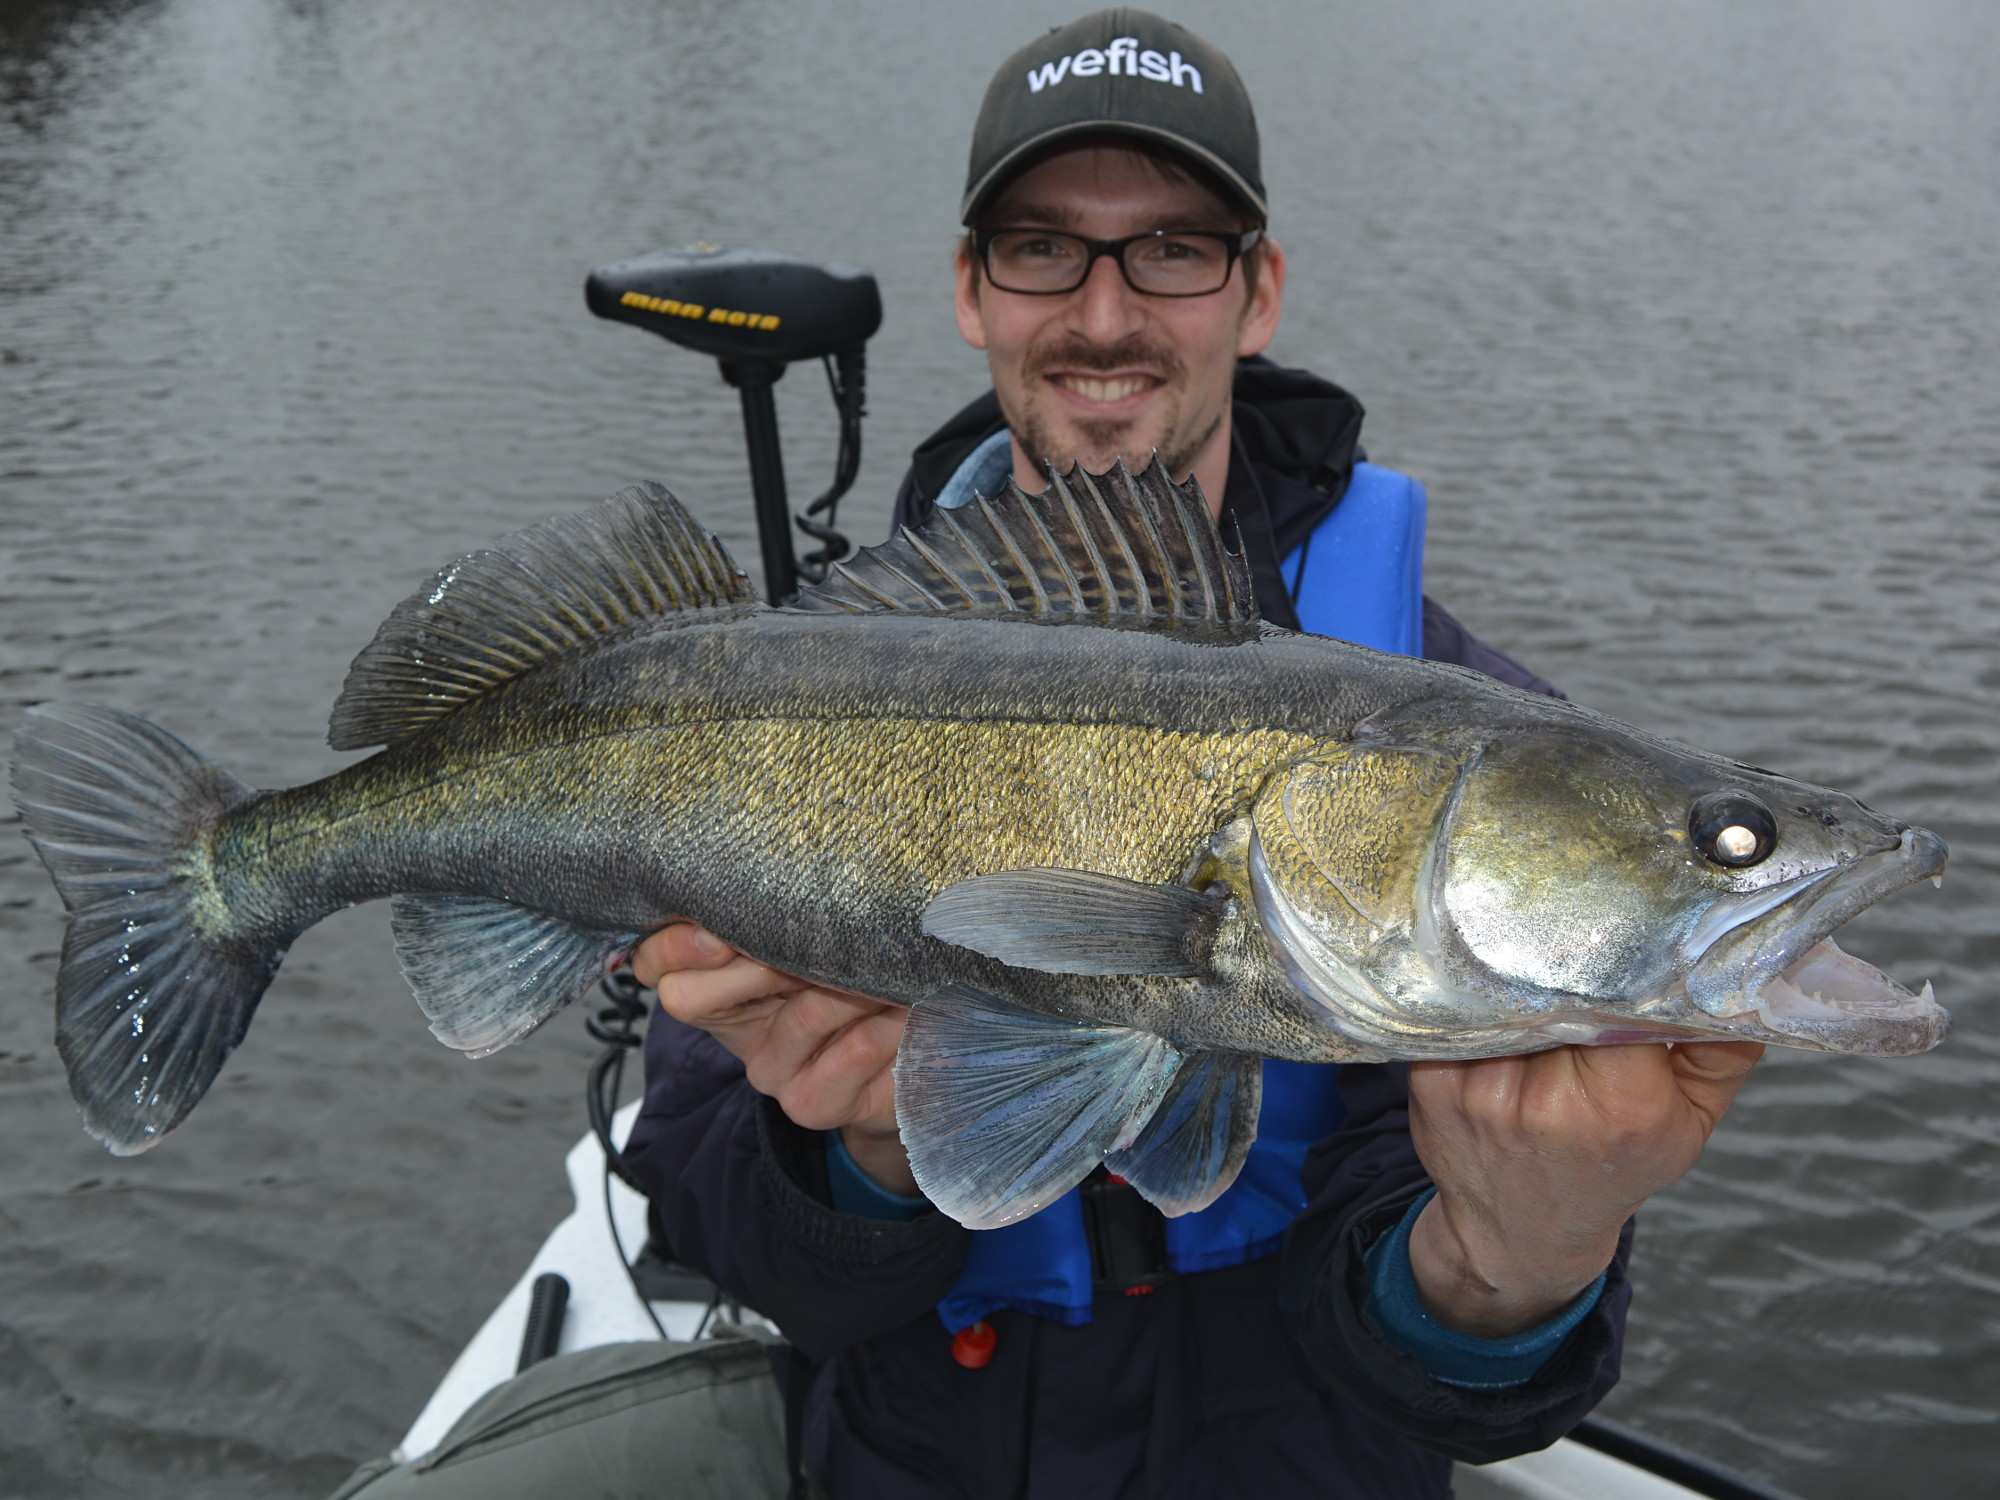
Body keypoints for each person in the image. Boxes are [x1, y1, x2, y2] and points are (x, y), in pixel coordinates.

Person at [615, 11, 1764, 1499]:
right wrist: (860, 1160)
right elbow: (730, 1243)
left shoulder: (1464, 749)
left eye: (1172, 248)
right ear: (970, 290)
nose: (1104, 315)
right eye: (1043, 247)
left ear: (1257, 287)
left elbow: (1438, 1380)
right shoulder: (786, 697)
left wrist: (1518, 1257)